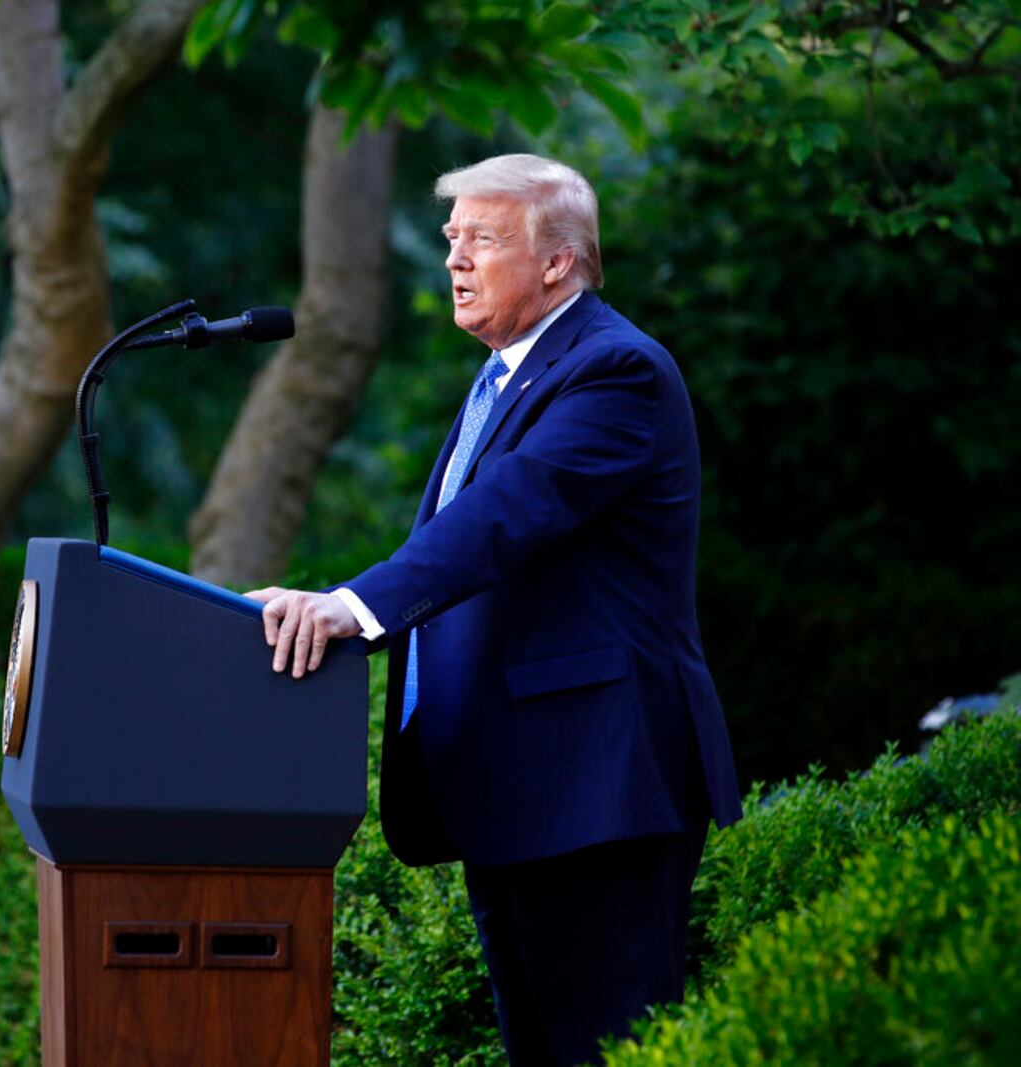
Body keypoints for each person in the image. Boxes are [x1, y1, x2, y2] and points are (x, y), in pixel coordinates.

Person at [246, 153, 743, 1067]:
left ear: (558, 260)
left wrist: (353, 607)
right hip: (521, 784)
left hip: (600, 781)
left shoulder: (616, 370)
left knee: (605, 1051)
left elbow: (505, 515)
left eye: (480, 239)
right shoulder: (504, 378)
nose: (454, 262)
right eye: (449, 240)